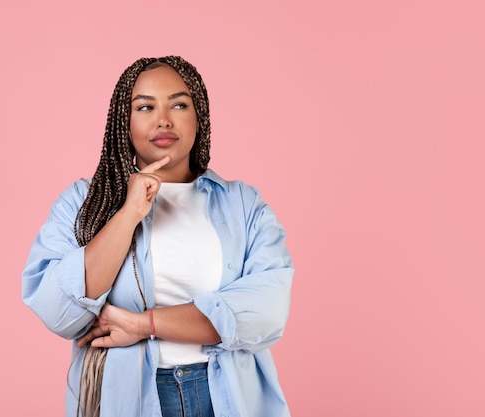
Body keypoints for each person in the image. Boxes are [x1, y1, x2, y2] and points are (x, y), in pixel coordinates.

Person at [22, 56, 294, 417]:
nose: (163, 119)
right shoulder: (83, 202)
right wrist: (129, 213)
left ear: (199, 118)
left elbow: (267, 310)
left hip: (225, 395)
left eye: (179, 105)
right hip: (131, 399)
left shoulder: (242, 204)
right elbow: (58, 311)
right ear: (125, 121)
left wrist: (142, 325)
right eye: (145, 107)